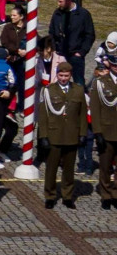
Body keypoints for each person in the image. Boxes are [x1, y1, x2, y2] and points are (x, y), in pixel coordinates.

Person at [39, 61, 87, 208]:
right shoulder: (48, 90)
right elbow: (43, 115)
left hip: (72, 134)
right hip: (54, 134)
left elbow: (82, 114)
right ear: (57, 75)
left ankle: (67, 196)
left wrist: (83, 133)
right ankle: (50, 196)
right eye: (61, 75)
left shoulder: (78, 90)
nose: (63, 78)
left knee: (69, 169)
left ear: (70, 75)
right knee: (51, 169)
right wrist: (44, 136)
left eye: (66, 76)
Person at [48, 0, 96, 86]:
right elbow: (52, 32)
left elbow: (89, 35)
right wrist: (53, 48)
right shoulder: (57, 13)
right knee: (57, 80)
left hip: (75, 54)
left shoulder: (83, 14)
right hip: (60, 53)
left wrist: (82, 52)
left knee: (78, 82)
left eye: (61, 1)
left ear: (69, 1)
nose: (58, 4)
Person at [90, 53, 117, 209]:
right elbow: (95, 108)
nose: (116, 68)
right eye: (114, 65)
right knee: (105, 166)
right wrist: (97, 132)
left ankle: (116, 194)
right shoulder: (100, 83)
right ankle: (106, 195)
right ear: (110, 66)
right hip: (107, 131)